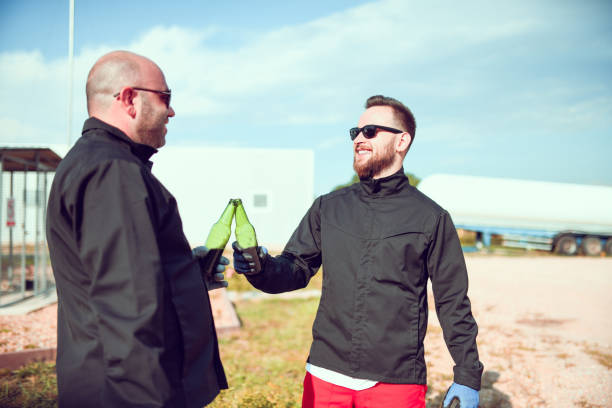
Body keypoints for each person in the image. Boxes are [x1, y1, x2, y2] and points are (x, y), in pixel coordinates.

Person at [233, 95, 483, 408]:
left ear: (402, 140)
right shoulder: (329, 207)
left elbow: (452, 301)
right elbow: (295, 269)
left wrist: (467, 375)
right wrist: (260, 267)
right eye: (356, 132)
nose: (359, 139)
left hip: (395, 380)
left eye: (371, 131)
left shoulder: (430, 218)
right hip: (325, 374)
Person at [46, 50, 228, 408]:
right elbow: (129, 311)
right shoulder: (113, 172)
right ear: (130, 98)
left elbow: (120, 278)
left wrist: (187, 273)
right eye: (166, 98)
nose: (171, 111)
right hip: (127, 393)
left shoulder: (93, 162)